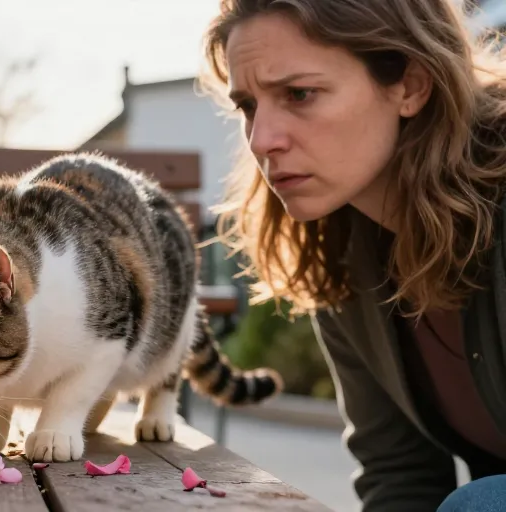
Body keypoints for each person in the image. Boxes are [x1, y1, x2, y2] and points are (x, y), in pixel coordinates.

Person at [197, 0, 506, 510]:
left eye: (299, 93)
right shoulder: (342, 256)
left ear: (411, 85)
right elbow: (400, 476)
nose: (261, 140)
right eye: (248, 106)